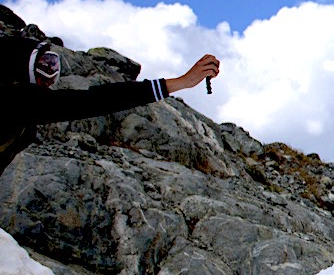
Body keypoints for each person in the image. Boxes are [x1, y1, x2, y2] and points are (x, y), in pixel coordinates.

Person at [0, 35, 220, 177]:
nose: (51, 77)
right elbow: (96, 100)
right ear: (17, 69)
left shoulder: (22, 115)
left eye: (54, 66)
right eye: (44, 67)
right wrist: (180, 83)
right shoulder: (13, 100)